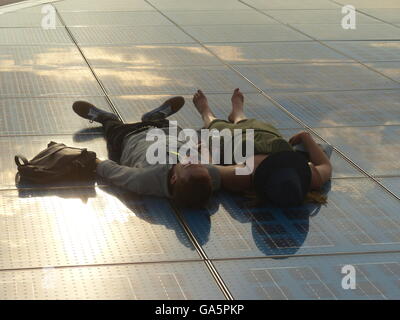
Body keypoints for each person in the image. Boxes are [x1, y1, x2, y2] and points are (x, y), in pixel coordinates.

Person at [192, 88, 332, 207]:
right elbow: (325, 165)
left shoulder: (243, 176)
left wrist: (205, 148)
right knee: (246, 121)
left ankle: (206, 112)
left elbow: (210, 168)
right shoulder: (307, 178)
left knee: (213, 124)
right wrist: (305, 137)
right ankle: (238, 112)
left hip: (232, 139)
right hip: (268, 135)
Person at [72, 97, 221, 208]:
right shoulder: (208, 175)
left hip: (130, 136)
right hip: (166, 131)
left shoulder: (144, 180)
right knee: (173, 130)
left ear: (173, 178)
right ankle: (155, 117)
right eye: (200, 164)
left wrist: (85, 157)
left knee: (113, 128)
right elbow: (236, 174)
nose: (194, 161)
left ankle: (105, 118)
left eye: (189, 165)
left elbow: (109, 170)